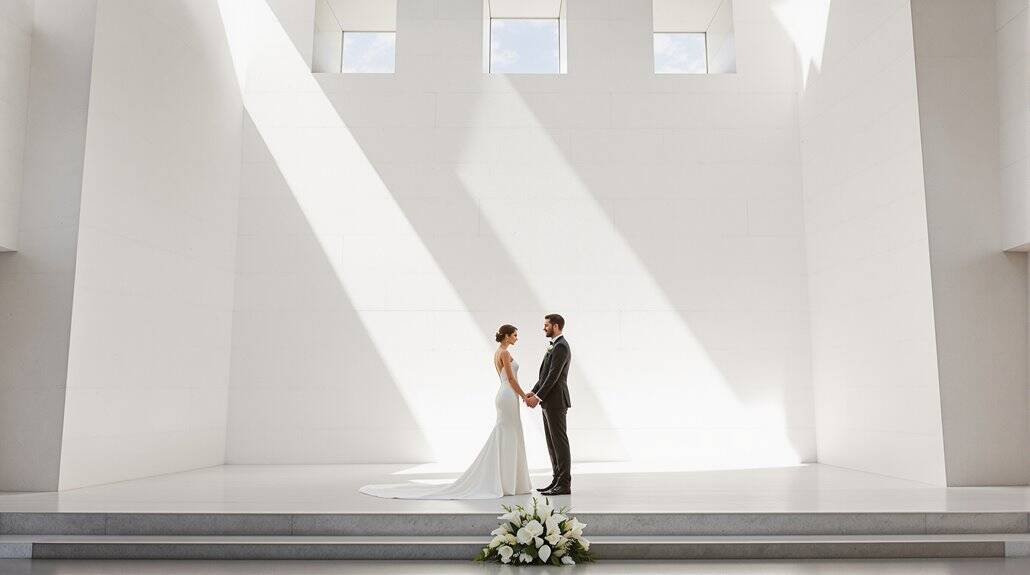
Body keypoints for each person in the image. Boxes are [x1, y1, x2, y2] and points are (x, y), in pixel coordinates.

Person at [358, 324, 533, 499]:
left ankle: (507, 481)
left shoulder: (498, 352)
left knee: (508, 433)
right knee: (508, 433)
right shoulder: (504, 353)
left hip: (506, 395)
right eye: (515, 335)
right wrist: (524, 396)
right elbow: (510, 378)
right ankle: (506, 481)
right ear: (507, 336)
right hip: (508, 394)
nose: (517, 338)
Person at [525, 314, 573, 496]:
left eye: (546, 325)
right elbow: (544, 376)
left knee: (559, 443)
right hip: (549, 401)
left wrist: (537, 398)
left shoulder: (561, 346)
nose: (544, 328)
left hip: (557, 401)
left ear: (556, 326)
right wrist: (533, 391)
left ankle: (564, 484)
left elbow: (554, 375)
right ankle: (556, 480)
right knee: (552, 443)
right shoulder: (555, 345)